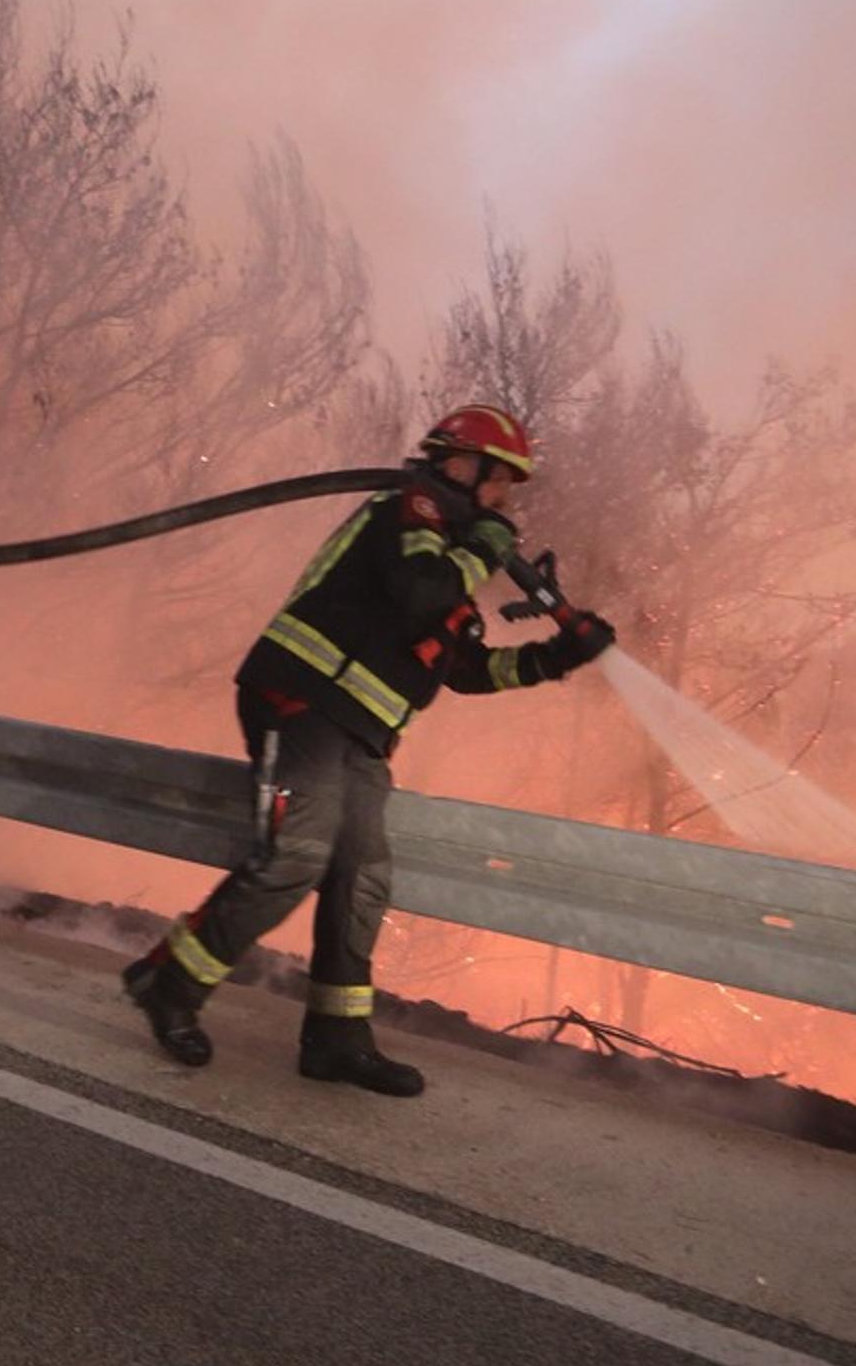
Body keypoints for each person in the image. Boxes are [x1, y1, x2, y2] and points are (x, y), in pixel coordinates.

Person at [122, 404, 617, 1097]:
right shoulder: (406, 514)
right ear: (457, 464)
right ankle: (166, 983)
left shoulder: (448, 556)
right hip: (302, 702)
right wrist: (485, 541)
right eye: (498, 481)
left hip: (359, 733)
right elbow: (420, 593)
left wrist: (557, 655)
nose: (504, 501)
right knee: (295, 857)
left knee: (361, 878)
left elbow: (467, 671)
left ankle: (335, 1039)